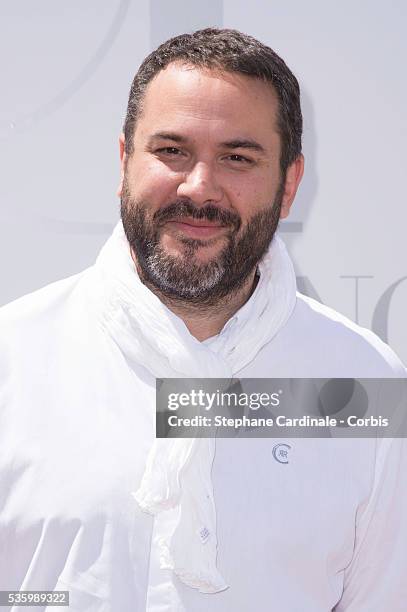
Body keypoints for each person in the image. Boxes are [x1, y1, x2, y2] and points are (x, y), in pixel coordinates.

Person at [0, 27, 406, 612]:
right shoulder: (14, 360)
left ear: (289, 185)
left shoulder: (366, 385)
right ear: (123, 161)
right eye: (172, 151)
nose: (200, 186)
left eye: (237, 158)